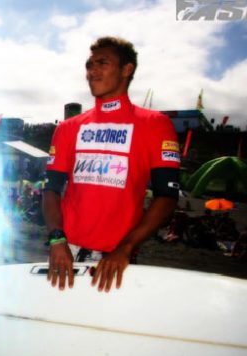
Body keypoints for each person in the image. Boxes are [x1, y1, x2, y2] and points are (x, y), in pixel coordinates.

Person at [42, 36, 180, 293]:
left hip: (115, 258)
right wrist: (57, 239)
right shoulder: (68, 128)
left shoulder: (156, 124)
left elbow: (168, 196)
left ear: (127, 70)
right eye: (89, 65)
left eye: (102, 63)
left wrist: (126, 248)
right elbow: (50, 189)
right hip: (64, 250)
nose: (91, 71)